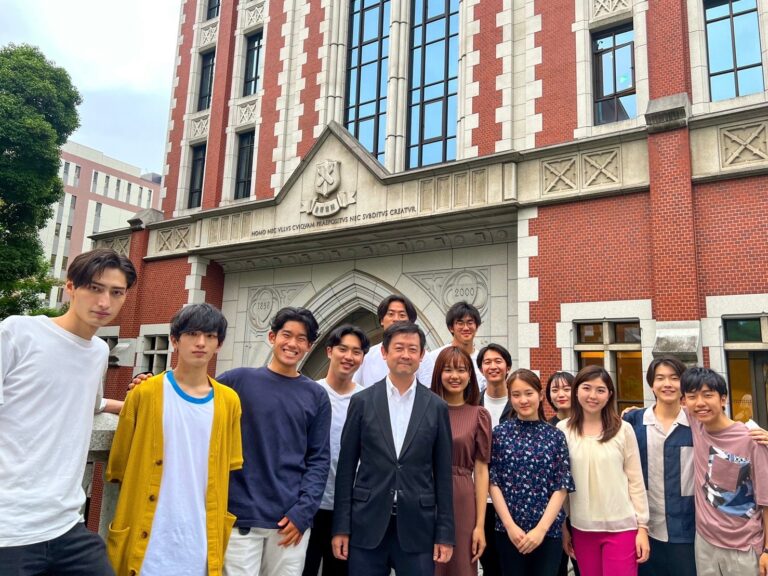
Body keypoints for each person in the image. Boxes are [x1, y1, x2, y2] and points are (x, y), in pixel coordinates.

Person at [0, 248, 136, 575]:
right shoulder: (18, 332)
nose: (104, 301)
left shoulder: (98, 352)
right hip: (9, 526)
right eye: (95, 288)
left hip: (66, 524)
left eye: (116, 292)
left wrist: (134, 405)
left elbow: (89, 401)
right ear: (71, 287)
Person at [106, 303, 243, 576]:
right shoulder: (144, 394)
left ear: (219, 344)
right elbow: (119, 466)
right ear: (174, 340)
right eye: (192, 334)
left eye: (210, 336)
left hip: (199, 541)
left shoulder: (229, 401)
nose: (201, 343)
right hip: (147, 539)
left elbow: (229, 465)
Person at [332, 322, 454, 575]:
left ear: (422, 355)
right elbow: (345, 469)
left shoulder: (436, 407)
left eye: (412, 349)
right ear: (384, 352)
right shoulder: (362, 401)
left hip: (418, 527)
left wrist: (444, 533)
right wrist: (341, 527)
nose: (405, 355)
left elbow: (443, 474)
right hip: (367, 523)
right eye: (398, 348)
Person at [221, 307, 331, 576]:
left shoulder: (316, 395)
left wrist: (303, 513)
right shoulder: (238, 381)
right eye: (286, 335)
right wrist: (145, 386)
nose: (293, 343)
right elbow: (195, 392)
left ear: (309, 346)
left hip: (289, 524)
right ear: (272, 337)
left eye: (301, 339)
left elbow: (319, 460)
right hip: (240, 519)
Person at [558, 365, 650, 576]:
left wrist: (643, 528)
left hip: (621, 527)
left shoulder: (623, 429)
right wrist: (564, 528)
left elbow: (636, 480)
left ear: (609, 395)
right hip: (581, 528)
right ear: (576, 391)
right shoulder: (563, 430)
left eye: (600, 390)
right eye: (586, 388)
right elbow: (560, 484)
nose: (593, 396)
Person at [681, 367, 768, 576]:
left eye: (708, 395)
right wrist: (634, 413)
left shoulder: (751, 440)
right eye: (692, 397)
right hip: (705, 542)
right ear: (684, 401)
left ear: (723, 399)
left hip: (744, 546)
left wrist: (767, 550)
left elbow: (766, 501)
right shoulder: (697, 424)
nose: (700, 403)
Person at [489, 369, 574, 576]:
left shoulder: (555, 436)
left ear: (540, 395)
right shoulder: (499, 434)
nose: (523, 400)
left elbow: (561, 486)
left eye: (529, 393)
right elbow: (493, 482)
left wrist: (541, 529)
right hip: (509, 532)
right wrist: (510, 526)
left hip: (547, 533)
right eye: (516, 395)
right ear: (510, 398)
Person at [303, 325, 370, 576]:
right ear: (329, 351)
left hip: (348, 510)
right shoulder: (311, 393)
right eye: (343, 349)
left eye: (356, 352)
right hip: (308, 505)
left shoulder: (367, 400)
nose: (349, 357)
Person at [622, 356, 696, 576]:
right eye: (660, 378)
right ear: (652, 384)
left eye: (674, 378)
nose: (667, 384)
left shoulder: (697, 422)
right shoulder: (633, 422)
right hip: (645, 530)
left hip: (687, 530)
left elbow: (727, 433)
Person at [430, 346, 492, 576]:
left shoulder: (478, 415)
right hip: (425, 493)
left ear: (470, 375)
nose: (454, 376)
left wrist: (480, 525)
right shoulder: (425, 411)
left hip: (462, 497)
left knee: (460, 565)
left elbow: (481, 470)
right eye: (448, 370)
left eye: (461, 370)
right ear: (438, 374)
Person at [476, 344, 513, 576]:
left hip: (514, 498)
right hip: (482, 500)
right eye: (487, 362)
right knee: (490, 564)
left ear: (508, 367)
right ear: (481, 368)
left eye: (498, 361)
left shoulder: (520, 403)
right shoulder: (473, 403)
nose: (493, 366)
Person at [353, 294, 431, 387]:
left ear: (410, 321)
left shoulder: (423, 357)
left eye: (402, 315)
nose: (396, 319)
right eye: (391, 314)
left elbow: (428, 390)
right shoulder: (367, 356)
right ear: (382, 320)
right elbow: (355, 387)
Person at [423, 301, 487, 389]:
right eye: (460, 323)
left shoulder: (483, 360)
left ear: (477, 327)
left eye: (470, 323)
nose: (466, 328)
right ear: (451, 328)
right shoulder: (435, 357)